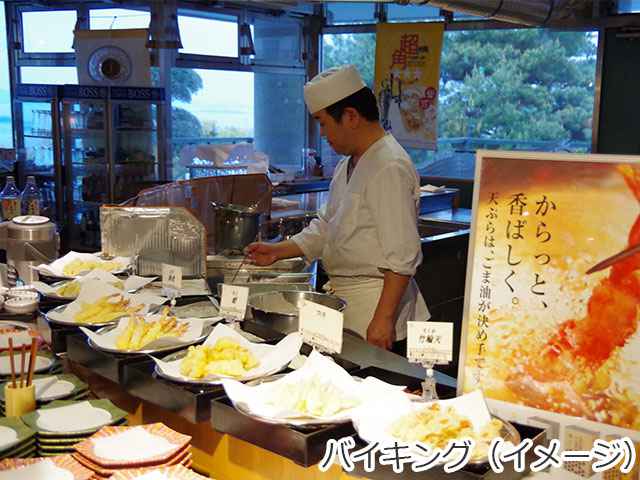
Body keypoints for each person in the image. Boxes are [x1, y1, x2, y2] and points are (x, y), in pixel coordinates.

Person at [246, 64, 429, 353]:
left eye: (323, 122)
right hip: (349, 309)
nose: (322, 133)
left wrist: (383, 319)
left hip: (378, 313)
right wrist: (278, 250)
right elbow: (327, 227)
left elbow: (403, 254)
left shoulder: (389, 165)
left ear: (351, 116)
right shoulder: (350, 164)